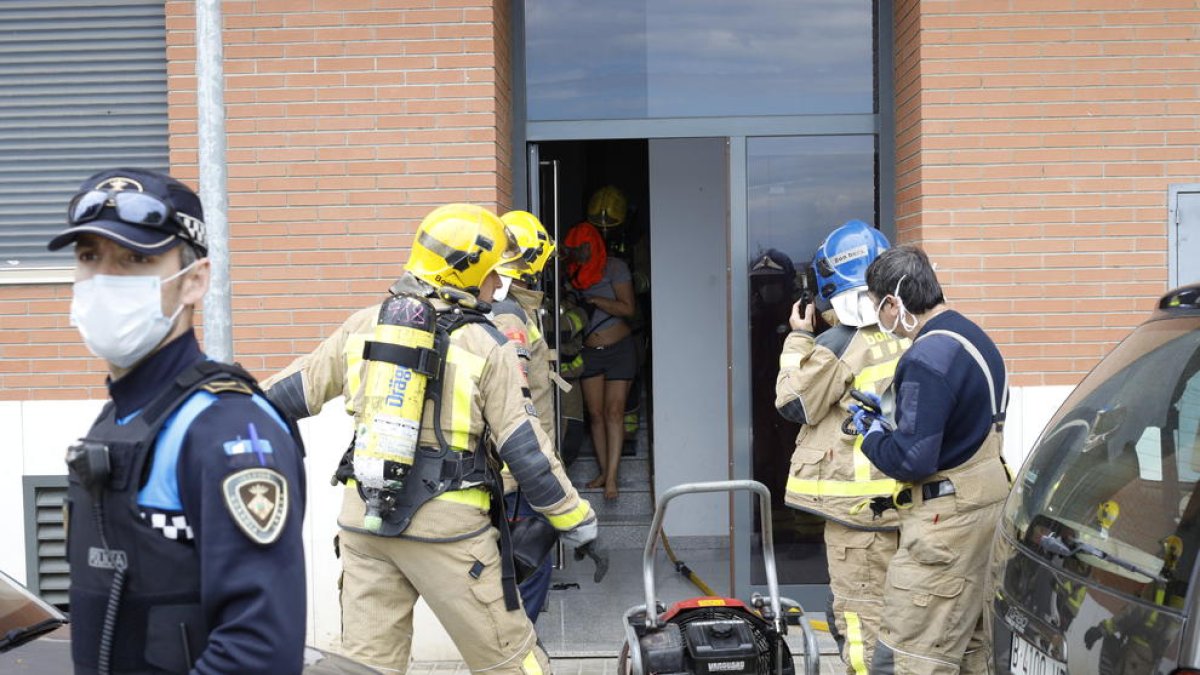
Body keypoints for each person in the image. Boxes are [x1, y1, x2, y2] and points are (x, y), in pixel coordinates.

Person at [262, 204, 598, 674]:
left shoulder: (363, 325)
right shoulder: (487, 345)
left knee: (366, 667)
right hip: (449, 532)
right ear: (470, 272)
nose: (495, 285)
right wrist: (577, 520)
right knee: (513, 661)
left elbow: (279, 397)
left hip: (364, 525)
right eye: (490, 274)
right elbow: (526, 451)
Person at [48, 168, 307, 674]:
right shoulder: (123, 415)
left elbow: (259, 652)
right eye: (89, 258)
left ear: (195, 280)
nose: (105, 279)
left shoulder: (227, 430)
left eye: (136, 259)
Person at [853, 244, 1010, 674]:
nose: (880, 318)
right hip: (986, 508)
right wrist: (893, 418)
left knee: (907, 656)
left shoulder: (924, 356)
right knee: (971, 651)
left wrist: (870, 436)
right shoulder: (971, 336)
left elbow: (913, 460)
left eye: (876, 305)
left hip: (947, 526)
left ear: (893, 302)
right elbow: (958, 421)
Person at [774, 221, 909, 675]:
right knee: (901, 614)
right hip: (905, 503)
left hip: (857, 513)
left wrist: (798, 338)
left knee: (860, 619)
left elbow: (794, 403)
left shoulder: (839, 342)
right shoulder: (910, 332)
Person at [489, 209, 559, 623]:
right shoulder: (510, 316)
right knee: (527, 571)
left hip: (516, 470)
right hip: (519, 475)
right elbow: (516, 403)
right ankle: (520, 656)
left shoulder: (513, 309)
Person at [563, 217, 636, 499]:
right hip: (588, 352)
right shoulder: (571, 272)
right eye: (575, 249)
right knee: (595, 415)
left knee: (614, 413)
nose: (581, 254)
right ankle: (604, 472)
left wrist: (595, 302)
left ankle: (612, 479)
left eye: (584, 248)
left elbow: (628, 308)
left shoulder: (615, 267)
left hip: (619, 349)